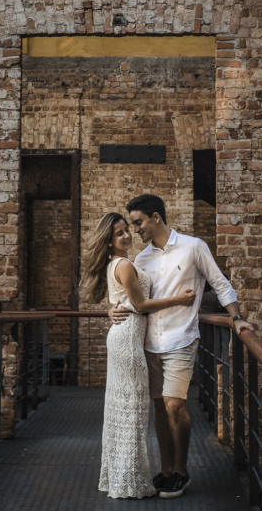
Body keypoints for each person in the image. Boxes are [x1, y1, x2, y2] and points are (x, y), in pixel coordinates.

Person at [109, 194, 255, 499]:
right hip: (149, 341)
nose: (135, 230)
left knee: (175, 404)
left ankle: (181, 470)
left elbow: (220, 283)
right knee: (160, 408)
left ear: (156, 217)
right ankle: (165, 471)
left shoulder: (193, 247)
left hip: (182, 339)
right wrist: (111, 310)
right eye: (132, 225)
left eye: (138, 223)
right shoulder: (141, 259)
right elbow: (131, 298)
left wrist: (236, 318)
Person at [82, 212, 196, 500]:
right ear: (109, 242)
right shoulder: (123, 265)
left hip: (128, 336)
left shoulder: (119, 263)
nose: (126, 236)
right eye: (119, 233)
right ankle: (129, 479)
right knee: (132, 410)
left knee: (127, 409)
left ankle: (126, 474)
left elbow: (125, 301)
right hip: (129, 340)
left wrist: (113, 308)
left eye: (126, 230)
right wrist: (179, 299)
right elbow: (142, 304)